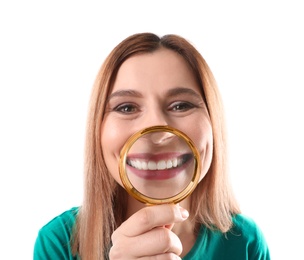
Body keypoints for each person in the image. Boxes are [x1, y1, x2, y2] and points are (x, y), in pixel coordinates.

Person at [33, 32, 271, 259]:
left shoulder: (246, 242)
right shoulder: (59, 242)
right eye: (126, 107)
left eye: (181, 105)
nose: (157, 129)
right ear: (98, 130)